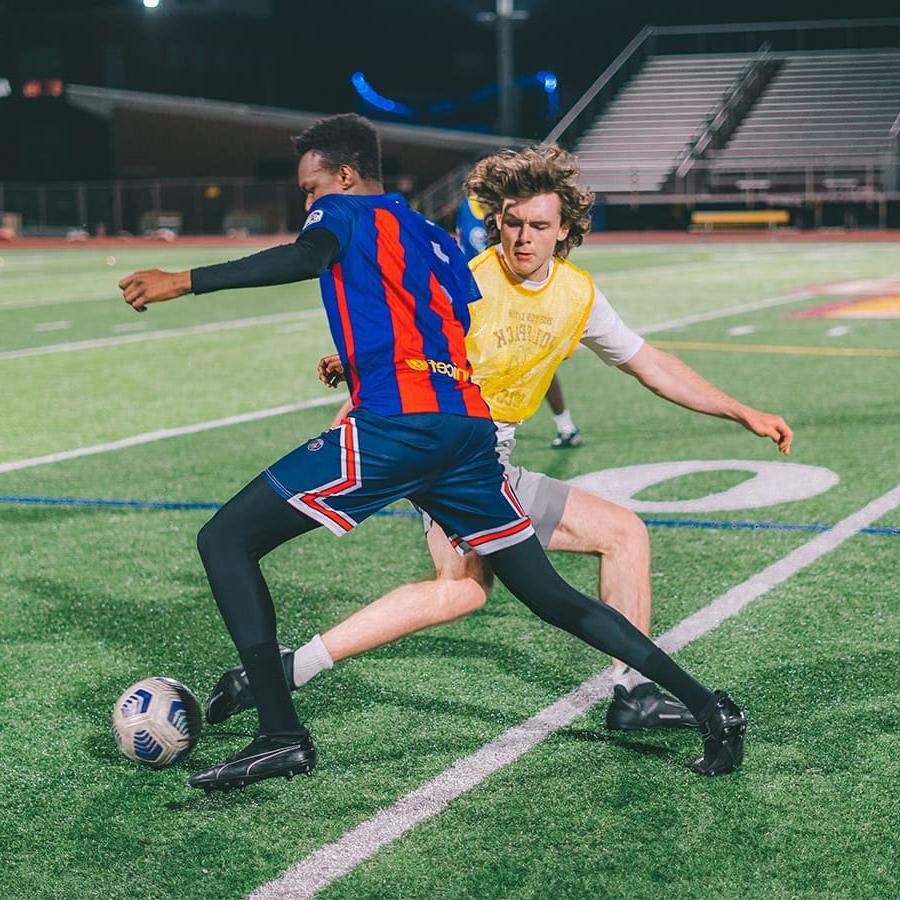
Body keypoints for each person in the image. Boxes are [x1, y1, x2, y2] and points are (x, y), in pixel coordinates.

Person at [119, 116, 749, 792]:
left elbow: (308, 256)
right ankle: (710, 705)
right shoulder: (433, 237)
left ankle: (280, 732)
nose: (309, 203)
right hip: (469, 430)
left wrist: (183, 280)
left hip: (401, 426)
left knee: (225, 541)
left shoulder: (342, 211)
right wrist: (363, 360)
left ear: (346, 175)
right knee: (547, 594)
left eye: (311, 187)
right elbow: (439, 324)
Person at [458, 193, 581, 449]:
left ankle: (565, 424)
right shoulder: (466, 208)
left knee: (535, 363)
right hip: (477, 299)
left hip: (513, 298)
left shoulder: (512, 213)